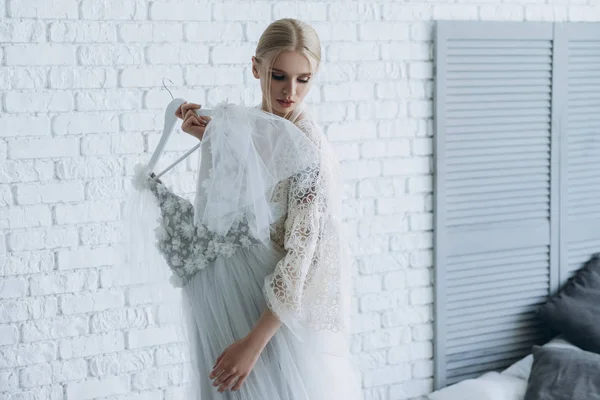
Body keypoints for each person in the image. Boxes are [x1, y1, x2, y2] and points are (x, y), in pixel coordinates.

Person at [170, 18, 363, 399]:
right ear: (256, 67)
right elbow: (245, 187)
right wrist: (210, 136)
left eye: (303, 79)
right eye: (278, 76)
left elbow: (303, 254)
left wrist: (253, 345)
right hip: (227, 304)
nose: (290, 91)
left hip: (272, 323)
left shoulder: (308, 149)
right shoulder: (247, 124)